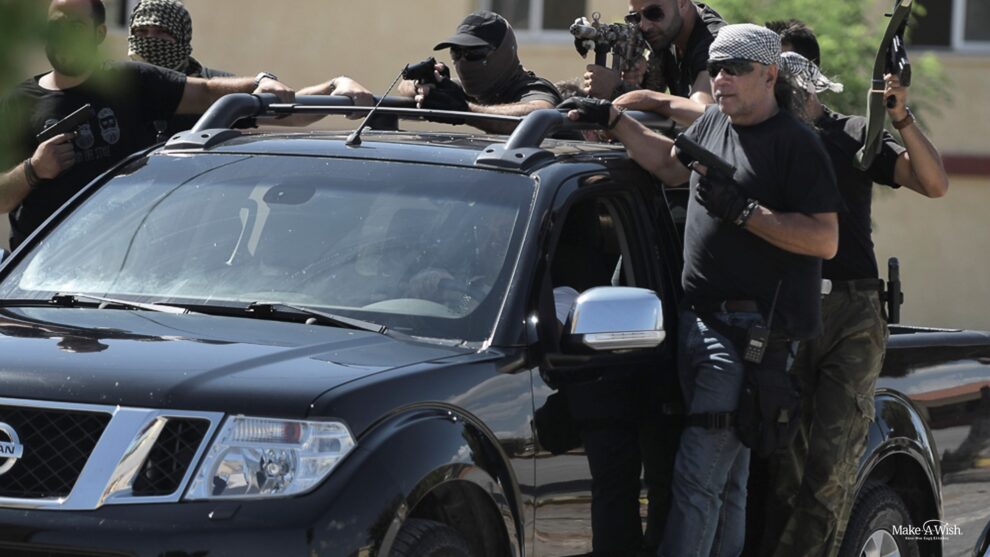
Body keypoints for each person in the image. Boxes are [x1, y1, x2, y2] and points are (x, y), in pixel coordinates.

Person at [561, 23, 842, 556]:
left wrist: (745, 212)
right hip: (699, 320)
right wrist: (614, 120)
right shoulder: (715, 121)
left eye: (735, 69)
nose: (721, 79)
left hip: (750, 336)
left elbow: (824, 239)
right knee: (727, 482)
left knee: (696, 477)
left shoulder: (797, 144)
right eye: (715, 68)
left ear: (770, 75)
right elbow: (671, 165)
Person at [759, 21, 949, 557]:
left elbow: (934, 183)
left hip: (851, 311)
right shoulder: (761, 133)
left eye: (784, 67)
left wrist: (899, 115)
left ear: (809, 74)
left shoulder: (851, 135)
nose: (776, 80)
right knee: (781, 466)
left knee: (832, 464)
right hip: (786, 309)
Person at [0, 0, 337, 249]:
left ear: (99, 34)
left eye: (76, 27)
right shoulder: (19, 102)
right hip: (37, 275)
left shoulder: (132, 82)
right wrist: (33, 170)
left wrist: (266, 81)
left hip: (122, 268)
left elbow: (211, 93)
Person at [125, 0, 372, 138]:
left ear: (182, 37)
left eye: (161, 32)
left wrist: (335, 85)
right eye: (142, 32)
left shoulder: (215, 89)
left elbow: (293, 113)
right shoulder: (117, 85)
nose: (150, 40)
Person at [398, 11, 562, 134]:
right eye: (456, 53)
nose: (462, 62)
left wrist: (466, 112)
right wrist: (427, 84)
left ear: (503, 53)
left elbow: (540, 115)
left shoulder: (534, 88)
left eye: (474, 53)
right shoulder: (477, 89)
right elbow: (404, 85)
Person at [585, 0, 726, 127]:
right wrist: (642, 76)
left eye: (654, 13)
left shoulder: (714, 43)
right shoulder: (667, 32)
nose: (644, 27)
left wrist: (621, 90)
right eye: (636, 18)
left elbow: (702, 117)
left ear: (682, 3)